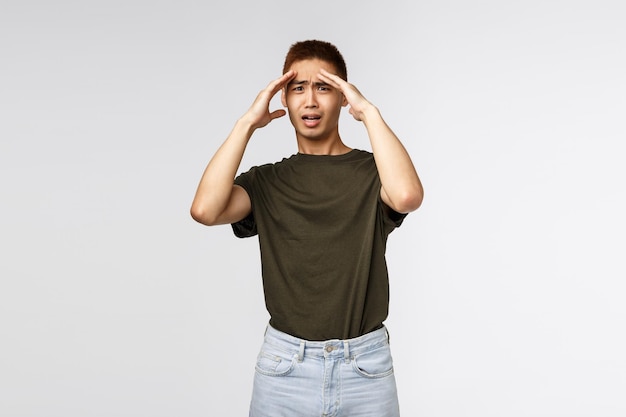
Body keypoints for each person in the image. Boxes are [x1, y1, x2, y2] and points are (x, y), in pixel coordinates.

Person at [190, 40, 423, 417]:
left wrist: (370, 113)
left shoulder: (372, 174)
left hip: (364, 368)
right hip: (285, 370)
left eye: (324, 87)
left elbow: (408, 196)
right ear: (283, 97)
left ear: (343, 97)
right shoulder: (267, 182)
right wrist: (246, 123)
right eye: (298, 88)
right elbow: (204, 209)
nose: (310, 101)